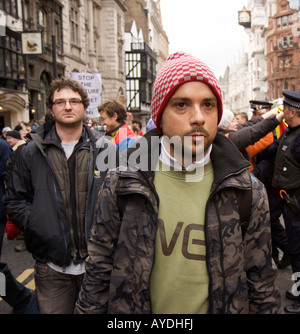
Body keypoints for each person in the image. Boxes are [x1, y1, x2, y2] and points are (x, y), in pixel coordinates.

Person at [75, 52, 281, 314]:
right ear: (160, 116)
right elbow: (99, 273)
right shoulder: (122, 183)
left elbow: (261, 285)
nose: (198, 117)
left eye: (208, 105)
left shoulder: (247, 191)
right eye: (181, 105)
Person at [3, 77, 117, 314]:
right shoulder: (30, 152)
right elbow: (15, 200)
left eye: (74, 101)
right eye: (60, 101)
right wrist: (37, 224)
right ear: (52, 109)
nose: (67, 106)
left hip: (98, 266)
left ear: (84, 108)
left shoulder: (106, 148)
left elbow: (120, 199)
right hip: (51, 267)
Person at [265, 90, 300, 314]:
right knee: (295, 247)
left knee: (298, 248)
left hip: (295, 200)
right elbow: (272, 150)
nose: (283, 113)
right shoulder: (289, 133)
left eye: (285, 109)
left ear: (293, 111)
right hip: (285, 198)